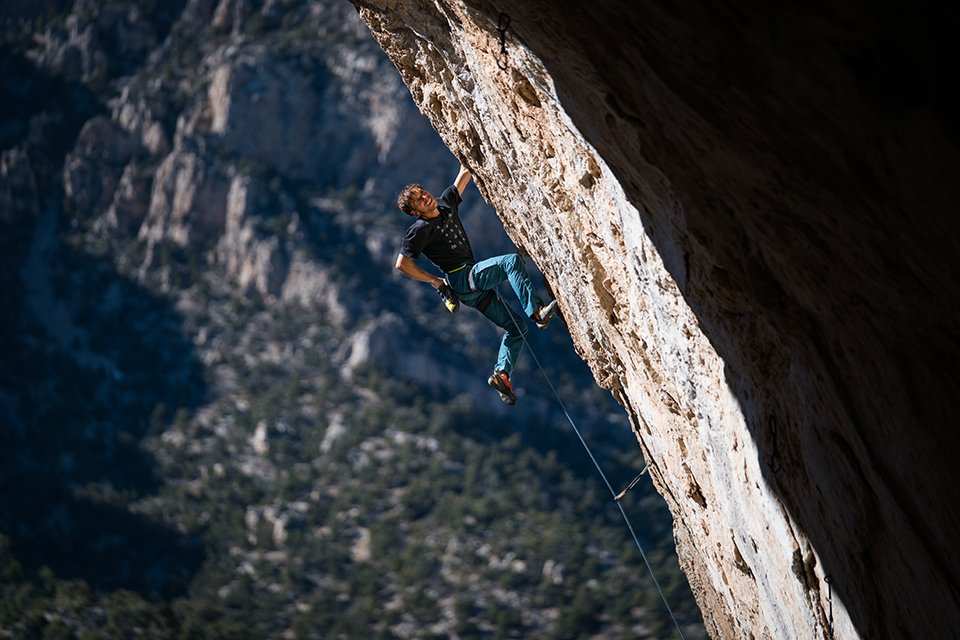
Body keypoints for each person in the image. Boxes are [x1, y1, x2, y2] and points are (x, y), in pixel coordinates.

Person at [394, 163, 558, 405]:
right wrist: (434, 281)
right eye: (419, 200)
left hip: (472, 288)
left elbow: (464, 173)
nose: (425, 197)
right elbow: (402, 264)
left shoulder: (445, 203)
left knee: (517, 329)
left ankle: (502, 374)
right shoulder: (418, 231)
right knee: (510, 261)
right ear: (415, 212)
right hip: (462, 277)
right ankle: (537, 312)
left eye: (423, 192)